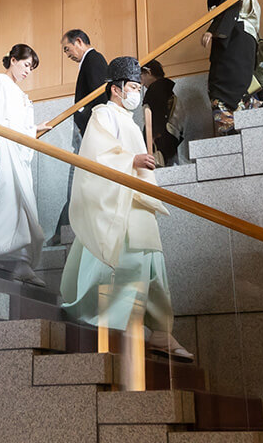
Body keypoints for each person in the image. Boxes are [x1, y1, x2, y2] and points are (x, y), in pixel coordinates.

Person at [60, 56, 193, 361]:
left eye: (138, 87)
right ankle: (116, 325)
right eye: (132, 87)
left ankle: (160, 331)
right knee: (130, 263)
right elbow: (94, 156)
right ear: (116, 89)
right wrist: (131, 161)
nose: (136, 93)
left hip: (137, 201)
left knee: (153, 265)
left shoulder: (126, 120)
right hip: (119, 203)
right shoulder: (102, 115)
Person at [0, 44, 52, 285]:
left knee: (23, 203)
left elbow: (17, 126)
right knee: (7, 199)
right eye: (26, 65)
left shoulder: (19, 94)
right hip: (1, 148)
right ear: (13, 60)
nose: (28, 71)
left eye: (31, 68)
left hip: (16, 152)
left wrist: (34, 129)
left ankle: (21, 261)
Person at [50, 29, 108, 243]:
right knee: (76, 182)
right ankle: (61, 230)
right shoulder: (90, 61)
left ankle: (62, 230)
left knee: (76, 182)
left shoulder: (93, 59)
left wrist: (88, 128)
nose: (68, 55)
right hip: (87, 131)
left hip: (90, 132)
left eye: (67, 49)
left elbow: (99, 97)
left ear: (78, 41)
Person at [195, 0, 258, 136]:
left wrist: (212, 31)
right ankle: (246, 118)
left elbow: (230, 6)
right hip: (239, 39)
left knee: (219, 86)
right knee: (233, 84)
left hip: (234, 39)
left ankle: (232, 131)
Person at [139, 59, 180, 166]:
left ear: (148, 72)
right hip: (171, 134)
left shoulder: (155, 89)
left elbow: (156, 115)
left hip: (160, 138)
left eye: (141, 77)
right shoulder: (166, 87)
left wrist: (152, 136)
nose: (142, 83)